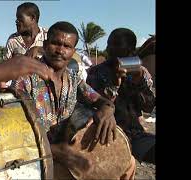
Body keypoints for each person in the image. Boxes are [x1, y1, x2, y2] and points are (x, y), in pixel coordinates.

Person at [10, 21, 135, 179]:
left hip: (69, 153)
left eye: (67, 46)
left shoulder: (74, 78)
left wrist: (108, 110)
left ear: (73, 51)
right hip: (38, 156)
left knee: (128, 162)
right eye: (55, 43)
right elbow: (14, 135)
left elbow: (101, 100)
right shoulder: (25, 79)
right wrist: (56, 151)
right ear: (45, 44)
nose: (60, 50)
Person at [86, 28, 155, 164]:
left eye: (117, 45)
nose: (110, 49)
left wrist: (138, 80)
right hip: (104, 136)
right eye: (109, 44)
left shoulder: (141, 72)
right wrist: (114, 85)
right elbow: (94, 103)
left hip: (135, 135)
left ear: (131, 50)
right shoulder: (96, 72)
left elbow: (148, 107)